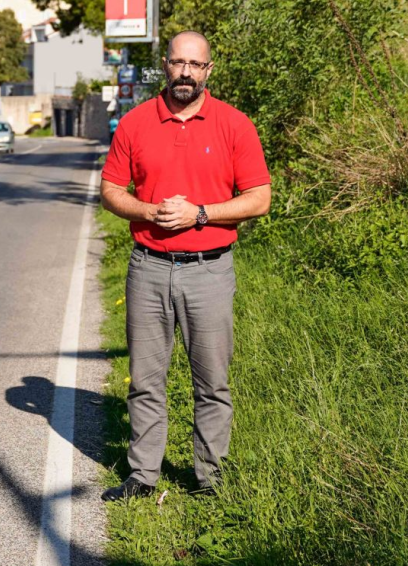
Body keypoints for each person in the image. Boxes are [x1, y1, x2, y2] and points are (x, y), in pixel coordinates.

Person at [98, 31, 271, 501]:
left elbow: (259, 198)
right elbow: (111, 189)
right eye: (178, 63)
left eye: (195, 65)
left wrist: (200, 213)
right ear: (165, 65)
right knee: (145, 379)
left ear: (208, 70)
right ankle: (142, 475)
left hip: (209, 270)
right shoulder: (135, 123)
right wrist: (149, 211)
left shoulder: (235, 125)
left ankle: (209, 479)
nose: (186, 73)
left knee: (211, 382)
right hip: (147, 267)